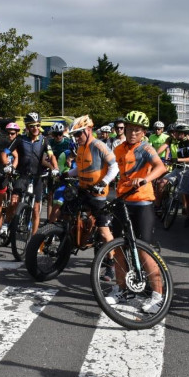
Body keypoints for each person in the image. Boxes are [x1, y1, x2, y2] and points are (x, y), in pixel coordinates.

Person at [108, 110, 168, 312]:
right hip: (122, 201)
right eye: (130, 129)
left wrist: (145, 179)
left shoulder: (146, 148)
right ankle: (121, 289)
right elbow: (111, 169)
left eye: (137, 130)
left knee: (143, 249)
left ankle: (157, 295)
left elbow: (160, 167)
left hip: (142, 202)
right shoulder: (119, 149)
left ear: (143, 132)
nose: (133, 133)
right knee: (118, 248)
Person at [68, 115, 119, 274]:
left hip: (98, 195)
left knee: (104, 232)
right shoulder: (81, 147)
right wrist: (66, 173)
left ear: (89, 130)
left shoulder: (99, 146)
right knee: (72, 217)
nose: (77, 138)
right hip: (84, 190)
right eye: (74, 135)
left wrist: (103, 183)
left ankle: (111, 264)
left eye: (79, 134)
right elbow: (80, 169)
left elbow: (115, 167)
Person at [8, 112, 56, 238]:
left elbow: (51, 155)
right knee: (13, 202)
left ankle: (34, 239)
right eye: (32, 126)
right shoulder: (20, 139)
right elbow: (6, 152)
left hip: (38, 177)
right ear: (27, 127)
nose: (35, 128)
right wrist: (7, 164)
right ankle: (6, 224)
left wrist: (55, 168)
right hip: (23, 175)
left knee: (36, 209)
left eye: (37, 125)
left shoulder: (44, 140)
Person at [47, 122, 74, 223]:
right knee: (51, 195)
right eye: (55, 134)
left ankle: (63, 216)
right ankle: (50, 219)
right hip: (53, 169)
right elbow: (46, 157)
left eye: (60, 134)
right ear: (52, 134)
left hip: (65, 170)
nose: (58, 136)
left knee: (65, 195)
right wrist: (52, 168)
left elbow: (73, 154)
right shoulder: (49, 142)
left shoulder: (68, 142)